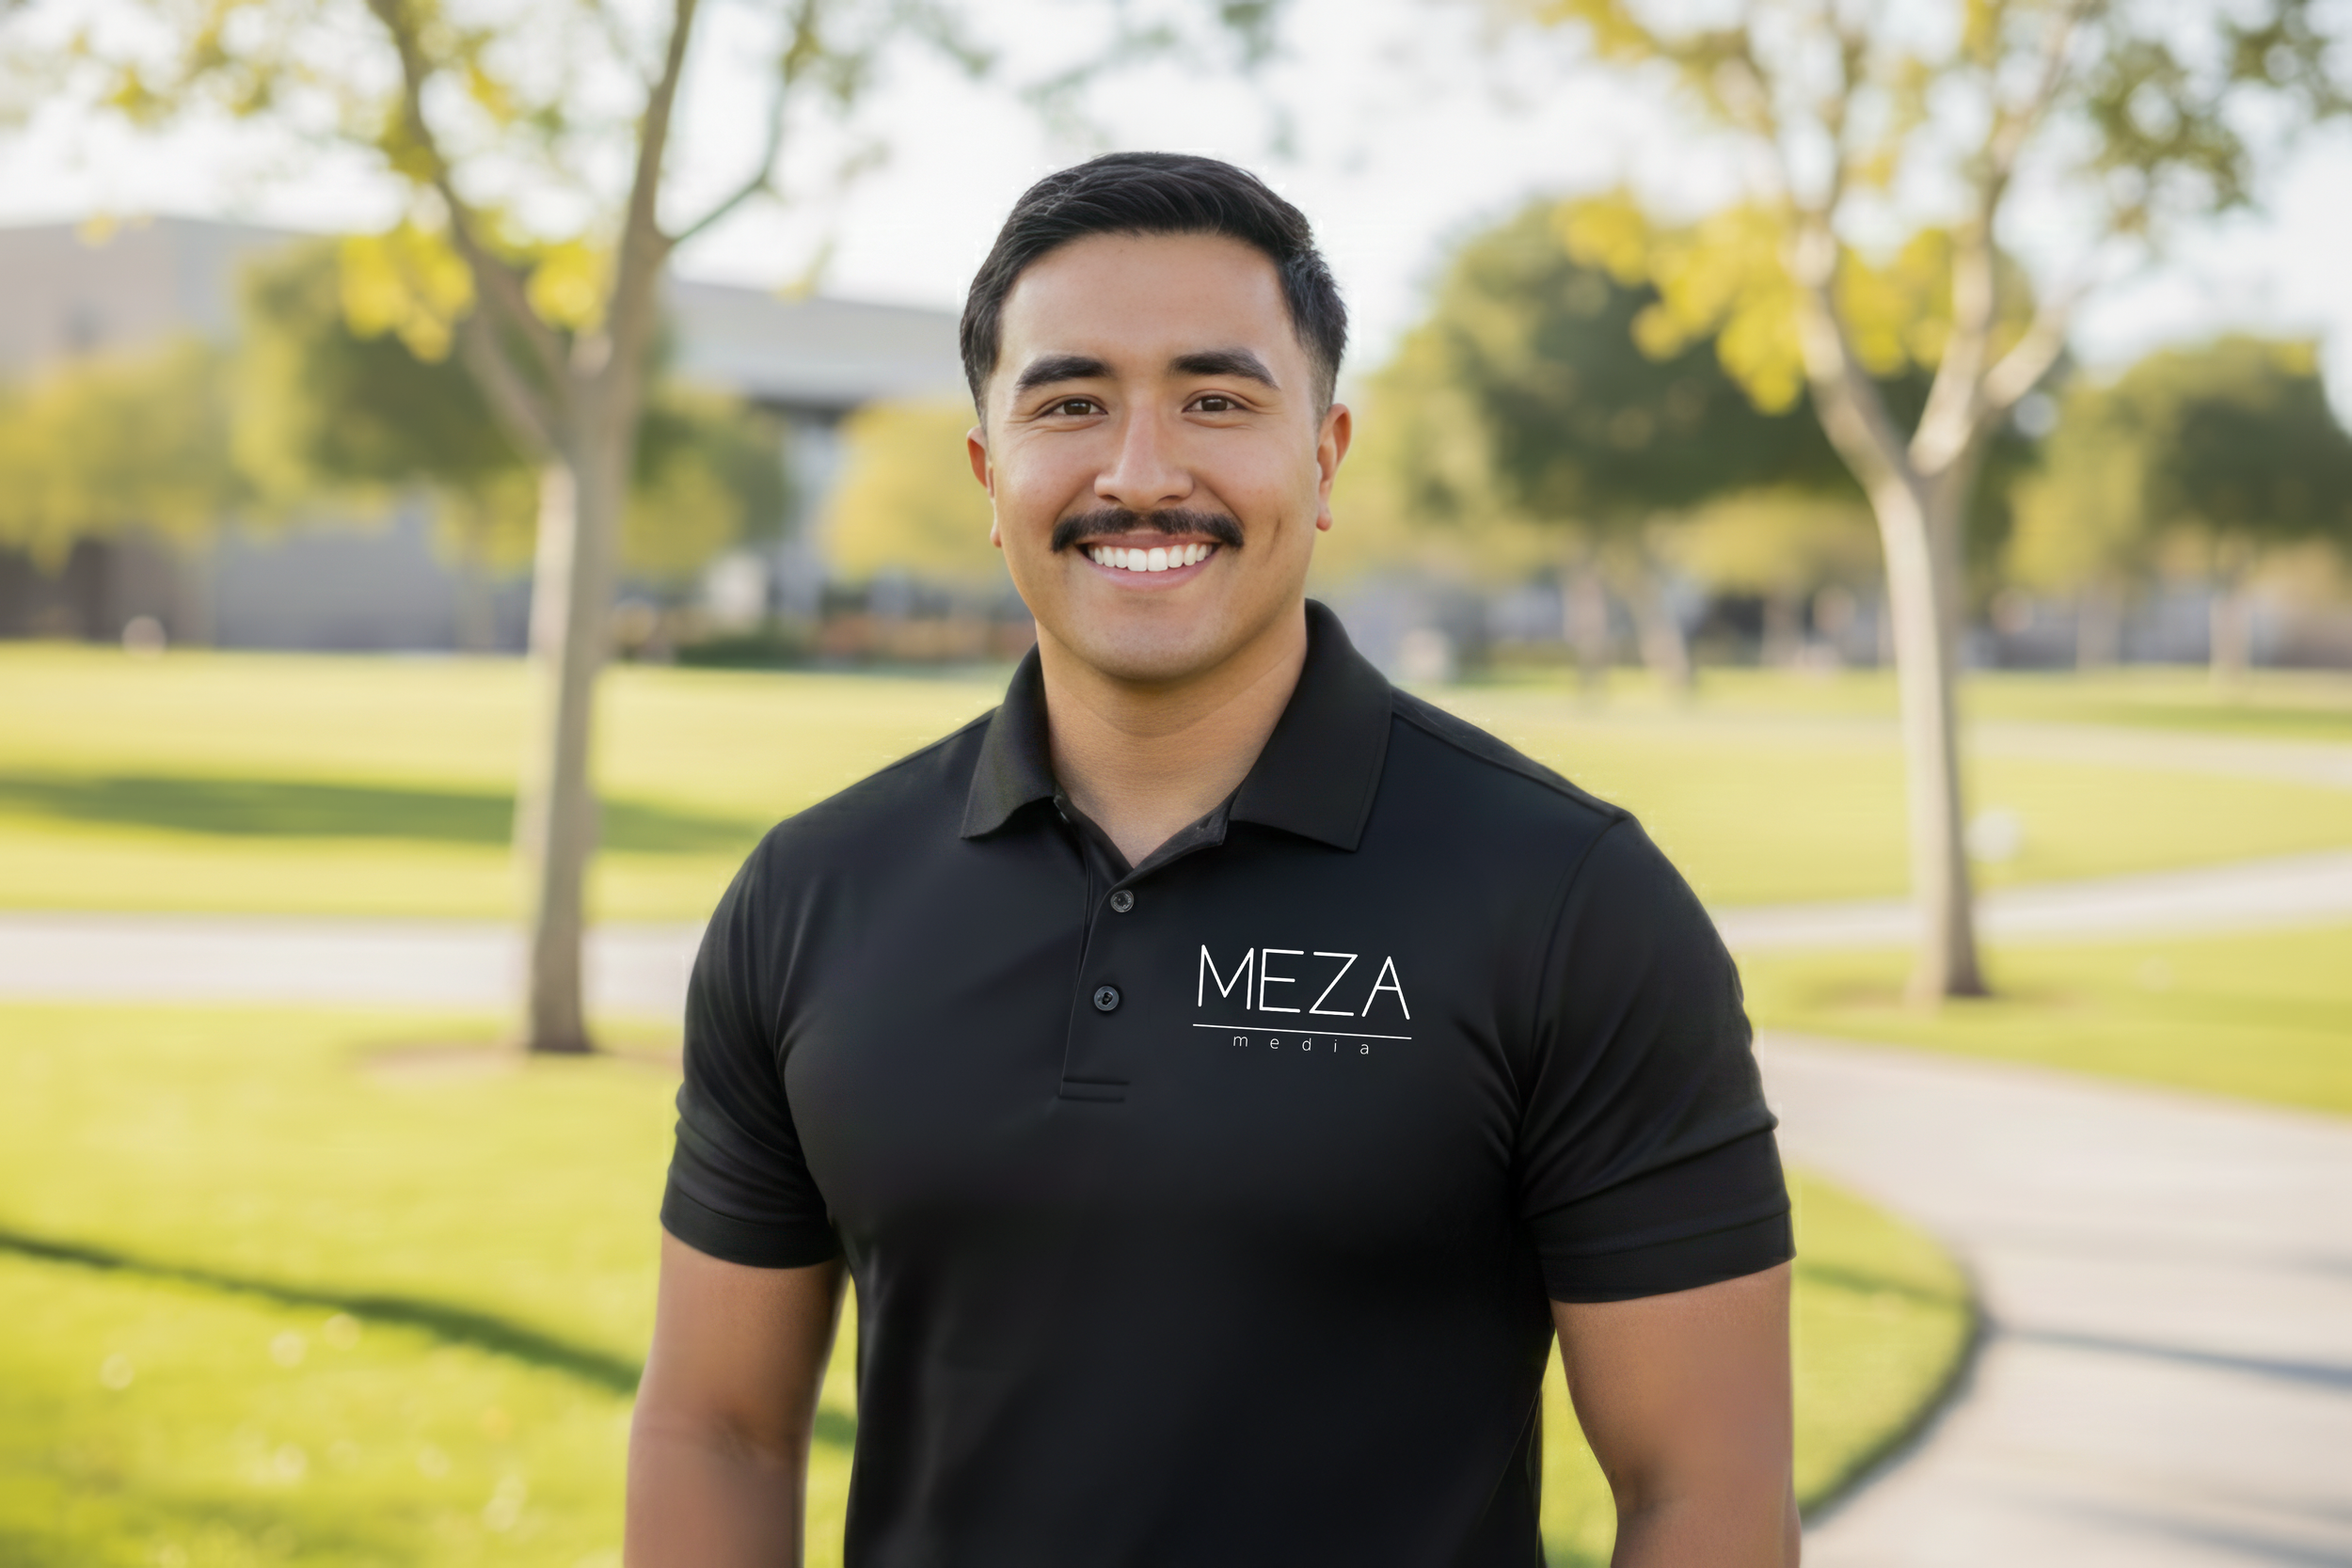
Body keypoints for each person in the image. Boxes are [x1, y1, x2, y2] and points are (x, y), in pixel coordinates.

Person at [626, 151, 1798, 1567]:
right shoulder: (813, 895)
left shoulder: (1567, 899)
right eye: (1071, 403)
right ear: (992, 474)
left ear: (1325, 454)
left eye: (1216, 400)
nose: (1141, 472)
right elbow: (718, 1428)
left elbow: (1705, 1492)